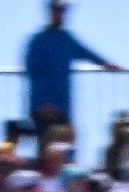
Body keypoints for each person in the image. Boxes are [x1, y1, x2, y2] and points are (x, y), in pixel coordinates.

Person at [25, 0, 117, 147]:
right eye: (58, 10)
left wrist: (106, 63)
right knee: (47, 146)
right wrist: (43, 103)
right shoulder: (38, 41)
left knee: (66, 146)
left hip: (63, 104)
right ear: (50, 12)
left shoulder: (66, 38)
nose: (61, 14)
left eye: (64, 11)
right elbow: (33, 73)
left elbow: (85, 52)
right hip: (43, 105)